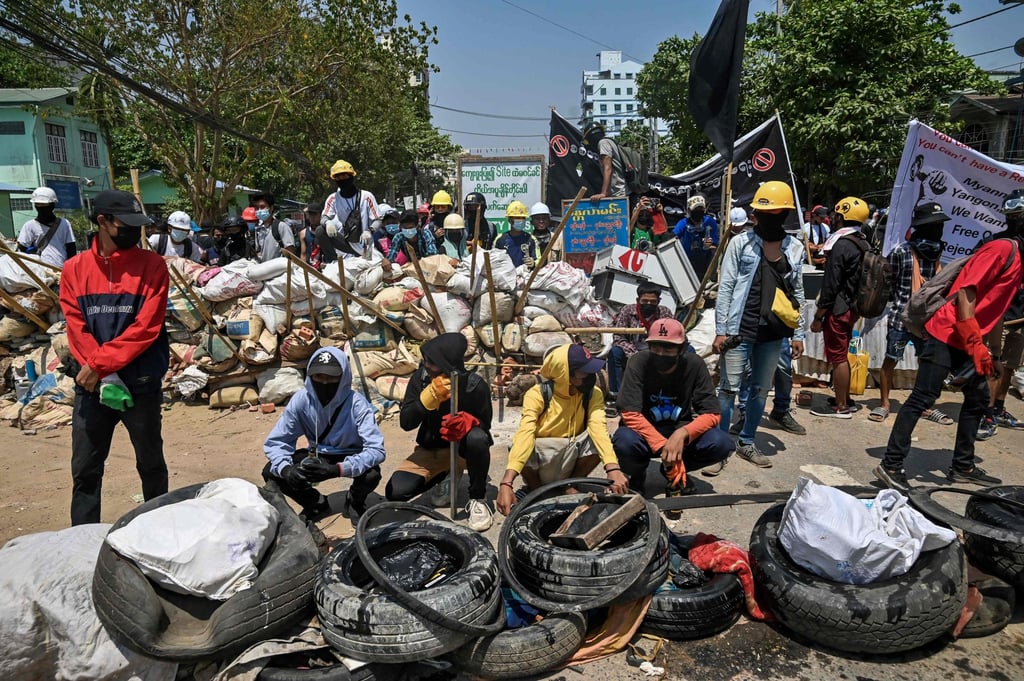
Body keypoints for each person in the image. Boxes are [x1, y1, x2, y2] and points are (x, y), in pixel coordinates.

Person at [875, 189, 1024, 489]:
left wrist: (991, 351)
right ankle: (890, 465)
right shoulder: (1001, 249)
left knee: (979, 398)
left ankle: (963, 466)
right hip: (946, 332)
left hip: (971, 339)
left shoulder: (1019, 257)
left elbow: (994, 307)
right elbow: (966, 295)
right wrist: (974, 342)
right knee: (923, 397)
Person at [59, 190, 170, 525]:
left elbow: (146, 327)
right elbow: (76, 327)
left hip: (140, 384)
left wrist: (99, 366)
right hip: (92, 388)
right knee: (85, 471)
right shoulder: (74, 270)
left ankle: (161, 532)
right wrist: (101, 375)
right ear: (103, 221)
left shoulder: (152, 265)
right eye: (127, 224)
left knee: (151, 465)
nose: (135, 232)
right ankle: (82, 541)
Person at [713, 181, 806, 470]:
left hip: (773, 332)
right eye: (764, 212)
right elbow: (726, 286)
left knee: (759, 390)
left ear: (785, 215)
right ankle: (719, 446)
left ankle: (746, 441)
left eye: (775, 212)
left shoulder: (795, 248)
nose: (768, 217)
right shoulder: (740, 243)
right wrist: (721, 330)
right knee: (727, 390)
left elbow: (797, 291)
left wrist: (799, 333)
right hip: (740, 329)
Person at [497, 344, 629, 516]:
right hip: (542, 459)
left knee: (598, 440)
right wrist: (506, 482)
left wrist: (613, 469)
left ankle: (570, 485)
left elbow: (598, 429)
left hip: (572, 456)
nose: (591, 376)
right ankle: (536, 490)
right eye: (584, 372)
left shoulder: (592, 393)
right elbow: (525, 432)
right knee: (518, 444)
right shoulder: (537, 394)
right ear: (565, 374)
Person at [385, 333, 494, 531]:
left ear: (448, 364)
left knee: (477, 438)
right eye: (426, 361)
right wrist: (426, 400)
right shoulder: (421, 380)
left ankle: (478, 498)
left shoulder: (475, 386)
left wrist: (472, 422)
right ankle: (447, 474)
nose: (427, 366)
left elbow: (486, 428)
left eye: (432, 363)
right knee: (397, 492)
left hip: (463, 449)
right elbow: (406, 422)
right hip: (432, 449)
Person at [612, 319, 734, 496]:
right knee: (624, 441)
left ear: (682, 349)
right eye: (656, 347)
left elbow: (712, 414)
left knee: (722, 443)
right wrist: (664, 448)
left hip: (678, 428)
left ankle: (671, 471)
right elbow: (630, 413)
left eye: (668, 348)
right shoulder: (638, 362)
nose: (661, 353)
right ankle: (638, 475)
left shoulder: (695, 364)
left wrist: (682, 434)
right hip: (643, 431)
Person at [263, 347, 384, 520]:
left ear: (343, 377)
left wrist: (337, 470)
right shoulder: (301, 400)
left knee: (371, 475)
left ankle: (355, 501)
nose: (325, 382)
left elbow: (376, 450)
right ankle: (316, 502)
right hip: (319, 453)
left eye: (332, 377)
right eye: (319, 376)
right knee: (271, 472)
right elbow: (277, 442)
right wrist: (287, 469)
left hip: (350, 453)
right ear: (310, 376)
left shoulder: (357, 404)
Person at [871, 201, 951, 425]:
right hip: (901, 320)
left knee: (928, 365)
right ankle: (885, 402)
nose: (940, 230)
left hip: (929, 323)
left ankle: (924, 405)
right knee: (891, 360)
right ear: (924, 227)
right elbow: (889, 285)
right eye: (936, 226)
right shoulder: (901, 252)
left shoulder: (938, 254)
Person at [809, 196, 870, 418]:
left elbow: (831, 284)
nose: (832, 219)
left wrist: (819, 315)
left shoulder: (841, 244)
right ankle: (843, 398)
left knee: (838, 357)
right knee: (841, 354)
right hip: (853, 306)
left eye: (835, 215)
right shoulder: (862, 241)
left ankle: (841, 406)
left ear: (842, 217)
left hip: (839, 308)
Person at [607, 281, 673, 408]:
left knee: (689, 352)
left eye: (653, 302)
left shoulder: (664, 313)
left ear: (658, 301)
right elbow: (618, 337)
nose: (648, 304)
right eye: (645, 301)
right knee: (614, 352)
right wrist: (634, 354)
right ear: (638, 300)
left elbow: (675, 334)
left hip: (658, 351)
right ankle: (618, 396)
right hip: (633, 350)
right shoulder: (627, 311)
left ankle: (682, 396)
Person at [980, 288, 1024, 438]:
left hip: (1019, 323)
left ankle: (998, 410)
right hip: (1001, 320)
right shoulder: (1013, 265)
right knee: (995, 367)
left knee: (1009, 367)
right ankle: (987, 415)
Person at [320, 159, 379, 262]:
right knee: (320, 231)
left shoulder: (366, 196)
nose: (341, 179)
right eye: (338, 177)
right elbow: (324, 217)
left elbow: (378, 219)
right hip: (346, 243)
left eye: (344, 175)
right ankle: (331, 261)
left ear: (351, 176)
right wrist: (327, 222)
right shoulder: (333, 198)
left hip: (364, 243)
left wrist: (369, 231)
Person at [17, 186, 76, 267]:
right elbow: (21, 250)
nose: (41, 207)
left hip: (62, 269)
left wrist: (71, 269)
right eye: (38, 204)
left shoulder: (64, 223)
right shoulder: (29, 226)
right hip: (40, 271)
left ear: (52, 205)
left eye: (44, 204)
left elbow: (71, 248)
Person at [674, 195, 720, 278]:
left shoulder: (710, 222)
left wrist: (710, 244)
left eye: (701, 209)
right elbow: (673, 236)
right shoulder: (683, 223)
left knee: (714, 251)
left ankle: (710, 278)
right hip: (688, 259)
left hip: (705, 258)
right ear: (689, 210)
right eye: (696, 209)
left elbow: (715, 243)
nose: (699, 212)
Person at [581, 121, 626, 201]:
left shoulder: (603, 143)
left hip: (619, 192)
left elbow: (608, 168)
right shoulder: (610, 142)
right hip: (620, 191)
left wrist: (603, 193)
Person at [494, 201, 538, 269]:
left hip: (525, 277)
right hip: (505, 277)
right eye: (517, 218)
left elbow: (538, 259)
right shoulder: (500, 239)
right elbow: (493, 260)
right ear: (510, 220)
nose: (521, 220)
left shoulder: (531, 239)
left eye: (523, 218)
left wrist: (533, 263)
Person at [304, 200, 323, 265]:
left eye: (314, 214)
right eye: (310, 215)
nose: (312, 217)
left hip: (325, 268)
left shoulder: (325, 232)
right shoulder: (304, 233)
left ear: (320, 215)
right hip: (309, 268)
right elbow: (303, 254)